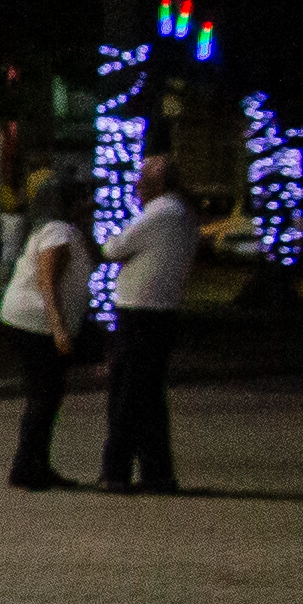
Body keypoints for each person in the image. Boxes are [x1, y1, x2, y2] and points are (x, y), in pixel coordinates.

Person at [98, 151, 198, 494]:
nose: (137, 185)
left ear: (156, 182)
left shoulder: (157, 214)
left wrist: (114, 243)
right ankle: (157, 470)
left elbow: (114, 248)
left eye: (143, 178)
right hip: (164, 310)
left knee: (127, 394)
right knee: (150, 394)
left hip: (139, 311)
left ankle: (117, 470)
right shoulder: (183, 212)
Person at [0, 198, 97, 493]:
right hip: (35, 323)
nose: (91, 211)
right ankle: (28, 467)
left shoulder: (68, 233)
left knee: (46, 396)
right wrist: (59, 328)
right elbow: (47, 281)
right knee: (44, 395)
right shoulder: (58, 232)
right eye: (86, 206)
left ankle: (34, 462)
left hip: (36, 323)